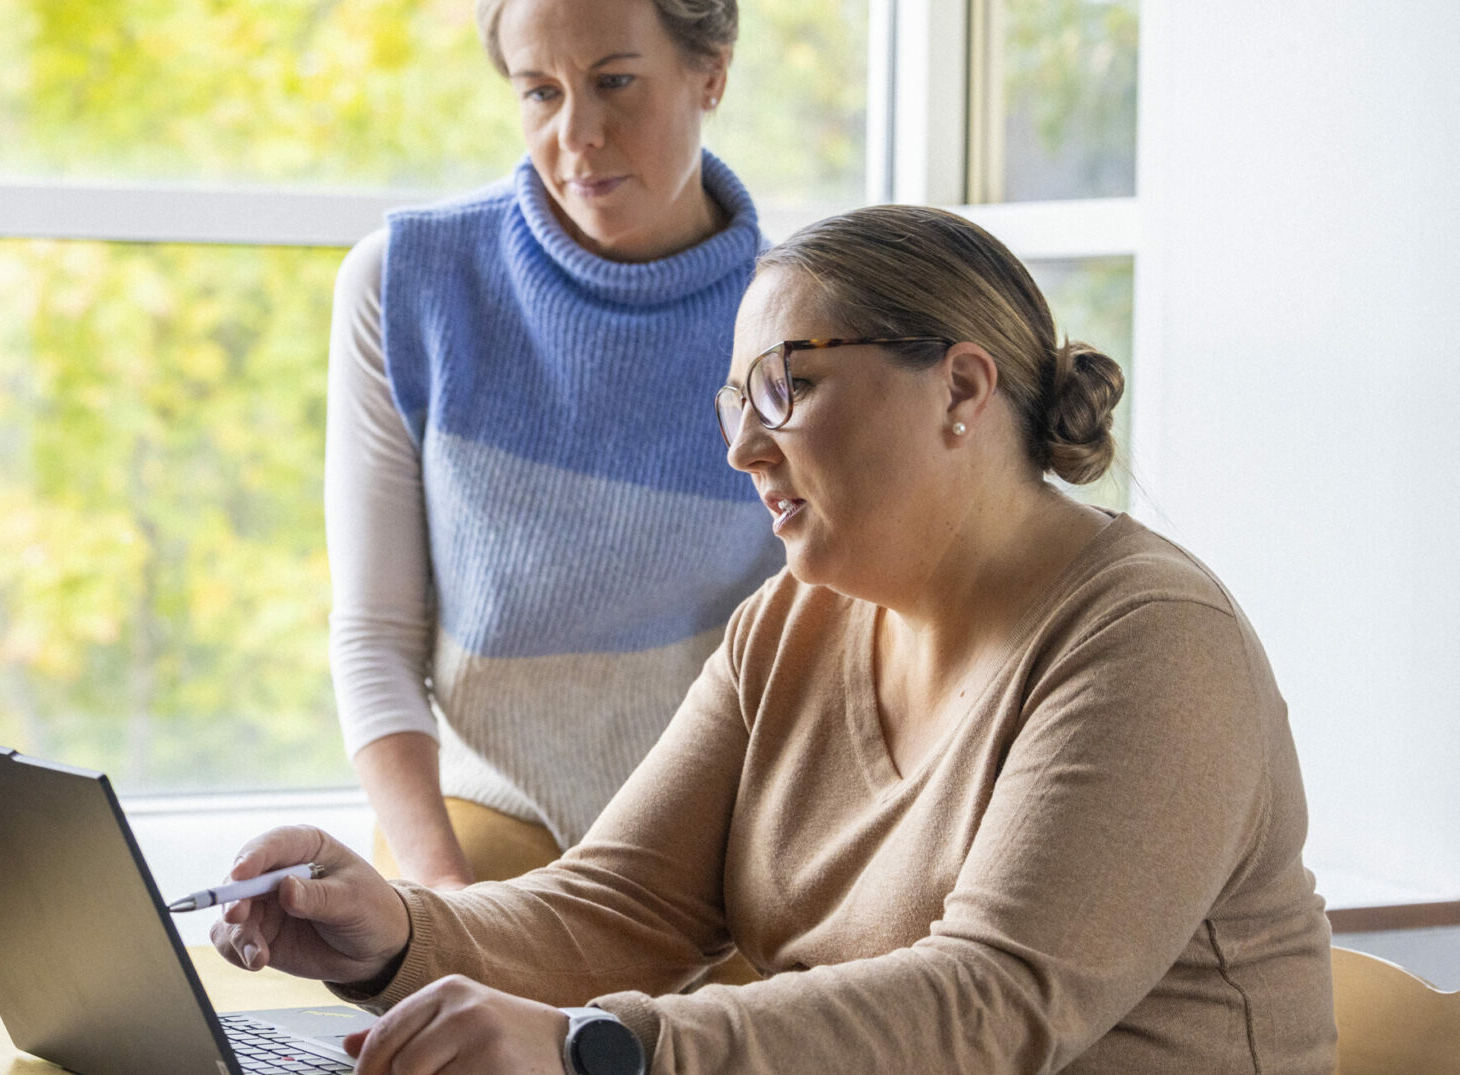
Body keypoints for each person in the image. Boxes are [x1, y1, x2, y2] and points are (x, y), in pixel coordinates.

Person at [218, 205, 1337, 1073]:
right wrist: (393, 932)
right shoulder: (792, 625)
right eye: (734, 404)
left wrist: (594, 1049)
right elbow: (620, 905)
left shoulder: (1147, 643)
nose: (742, 449)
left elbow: (989, 1008)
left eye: (784, 387)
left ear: (958, 386)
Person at [327, 0, 788, 895]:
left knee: (724, 1031)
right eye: (541, 93)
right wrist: (443, 898)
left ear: (712, 73)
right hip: (488, 821)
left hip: (719, 830)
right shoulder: (403, 286)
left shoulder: (797, 322)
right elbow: (375, 637)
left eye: (615, 82)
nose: (578, 134)